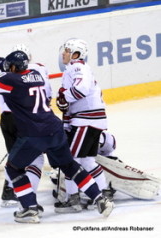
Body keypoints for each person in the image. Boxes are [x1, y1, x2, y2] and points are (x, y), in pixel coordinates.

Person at [0, 45, 113, 223]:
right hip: (54, 129)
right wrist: (4, 63)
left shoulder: (11, 80)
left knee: (13, 168)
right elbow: (16, 71)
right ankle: (100, 199)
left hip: (33, 134)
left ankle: (29, 208)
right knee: (69, 165)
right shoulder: (36, 74)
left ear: (12, 68)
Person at [54, 38, 112, 213]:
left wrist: (64, 97)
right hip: (92, 120)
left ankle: (74, 200)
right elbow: (72, 98)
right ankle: (103, 193)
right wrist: (64, 107)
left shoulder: (76, 67)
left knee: (70, 161)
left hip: (85, 120)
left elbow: (81, 90)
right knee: (87, 160)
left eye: (67, 50)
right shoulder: (77, 69)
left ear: (76, 54)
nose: (63, 53)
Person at [0, 44, 52, 208]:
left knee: (15, 159)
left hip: (6, 119)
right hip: (24, 118)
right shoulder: (37, 69)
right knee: (36, 157)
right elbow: (48, 94)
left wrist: (0, 63)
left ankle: (9, 191)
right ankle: (28, 197)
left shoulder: (4, 72)